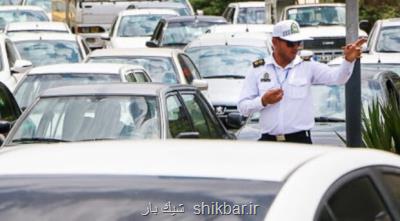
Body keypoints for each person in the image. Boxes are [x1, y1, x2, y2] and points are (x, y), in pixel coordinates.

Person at [238, 20, 366, 144]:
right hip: (269, 142)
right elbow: (243, 107)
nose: (295, 48)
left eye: (298, 43)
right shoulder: (258, 69)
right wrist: (263, 101)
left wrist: (348, 60)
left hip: (299, 141)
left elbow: (338, 78)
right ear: (275, 42)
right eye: (290, 43)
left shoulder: (307, 66)